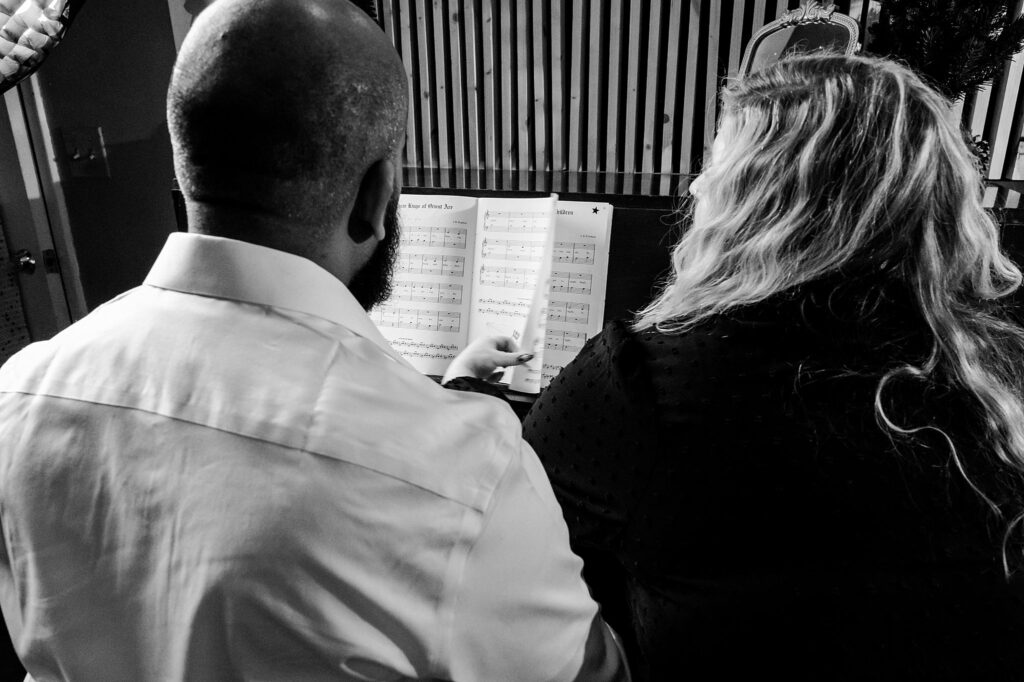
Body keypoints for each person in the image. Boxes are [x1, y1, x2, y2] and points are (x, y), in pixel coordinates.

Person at [0, 1, 629, 679]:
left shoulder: (20, 393)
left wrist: (454, 390)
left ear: (185, 174)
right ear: (377, 197)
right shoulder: (466, 474)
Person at [517, 54, 1024, 679]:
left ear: (765, 204)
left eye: (717, 168)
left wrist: (465, 390)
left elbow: (505, 522)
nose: (697, 188)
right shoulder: (1003, 372)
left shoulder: (645, 379)